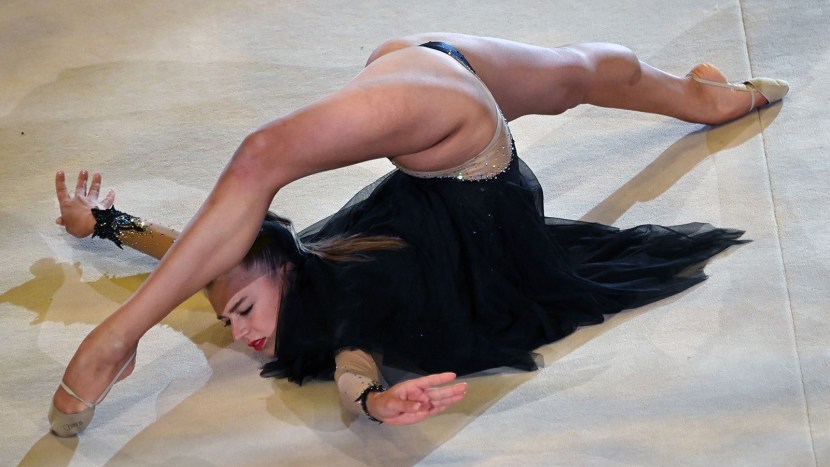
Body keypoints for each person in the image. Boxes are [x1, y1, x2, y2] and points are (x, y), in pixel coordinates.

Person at [48, 33, 788, 436]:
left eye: (240, 309)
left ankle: (709, 98)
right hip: (461, 146)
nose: (241, 334)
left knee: (589, 71)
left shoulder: (320, 260)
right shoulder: (344, 307)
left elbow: (188, 246)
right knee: (260, 156)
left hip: (423, 82)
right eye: (232, 321)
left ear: (280, 264)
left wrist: (105, 223)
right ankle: (115, 340)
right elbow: (355, 368)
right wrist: (375, 405)